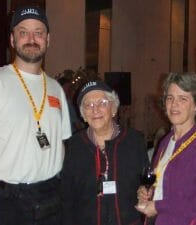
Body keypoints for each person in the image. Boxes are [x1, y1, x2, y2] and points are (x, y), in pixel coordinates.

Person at [0, 5, 71, 225]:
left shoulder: (56, 89)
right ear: (12, 40)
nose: (32, 38)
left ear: (48, 40)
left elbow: (61, 145)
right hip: (4, 202)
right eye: (23, 32)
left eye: (38, 32)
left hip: (50, 198)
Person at [136, 73, 196, 225]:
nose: (174, 104)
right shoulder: (166, 141)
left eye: (183, 99)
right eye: (170, 98)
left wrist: (159, 206)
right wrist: (148, 192)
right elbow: (164, 185)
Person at [61, 80, 149, 225]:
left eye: (102, 102)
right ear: (83, 115)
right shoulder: (75, 146)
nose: (95, 110)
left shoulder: (134, 141)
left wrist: (145, 191)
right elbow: (67, 198)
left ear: (113, 108)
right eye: (88, 105)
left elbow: (147, 184)